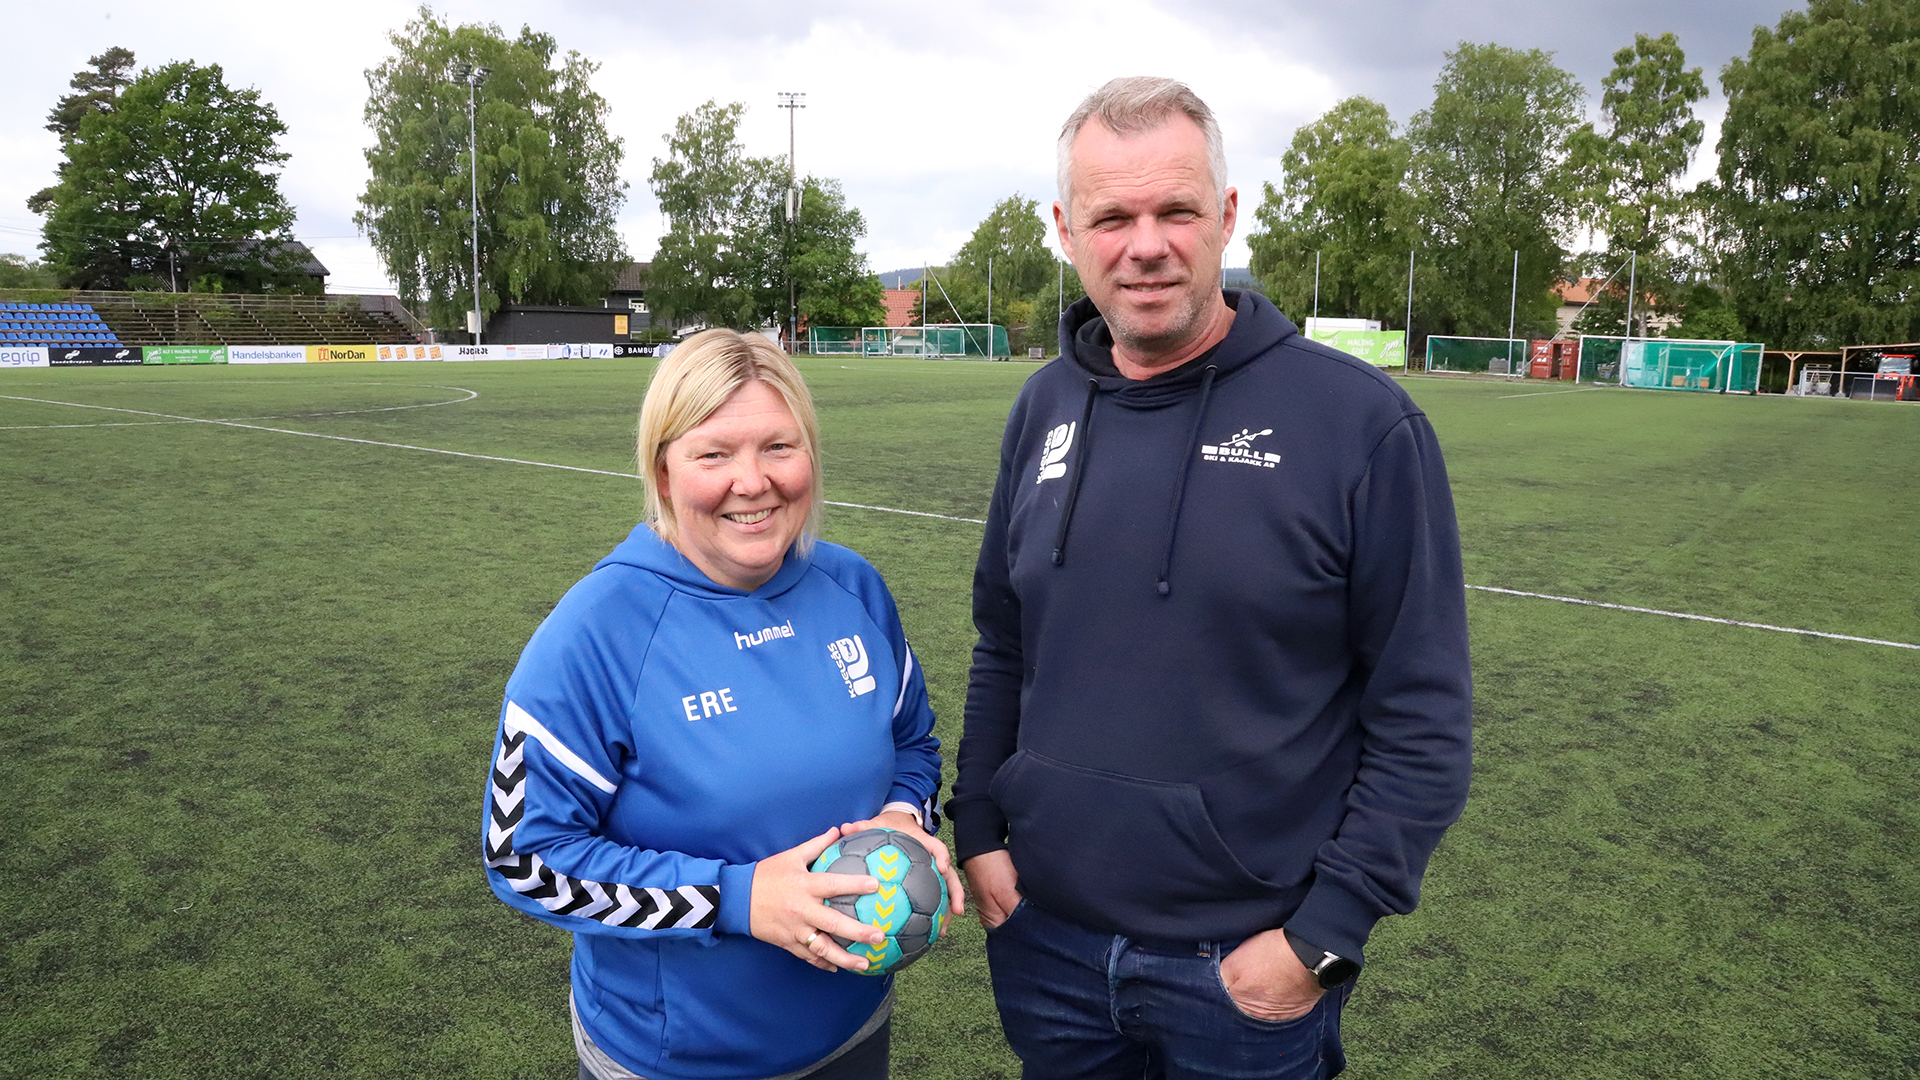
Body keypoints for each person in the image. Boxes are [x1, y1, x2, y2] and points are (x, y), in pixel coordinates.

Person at [949, 77, 1473, 1079]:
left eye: (1175, 210)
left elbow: (1424, 714)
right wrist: (977, 828)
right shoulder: (1043, 408)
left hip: (1242, 969)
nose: (1145, 243)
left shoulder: (1360, 425)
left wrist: (1321, 936)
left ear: (1226, 217)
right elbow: (1003, 640)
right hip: (1045, 948)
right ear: (1067, 230)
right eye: (1113, 216)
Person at [482, 328, 963, 1080]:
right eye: (714, 454)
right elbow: (525, 857)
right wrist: (734, 900)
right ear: (664, 470)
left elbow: (914, 747)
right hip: (679, 1059)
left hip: (855, 1026)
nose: (753, 481)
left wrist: (904, 816)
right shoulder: (596, 630)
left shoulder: (853, 587)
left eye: (779, 446)